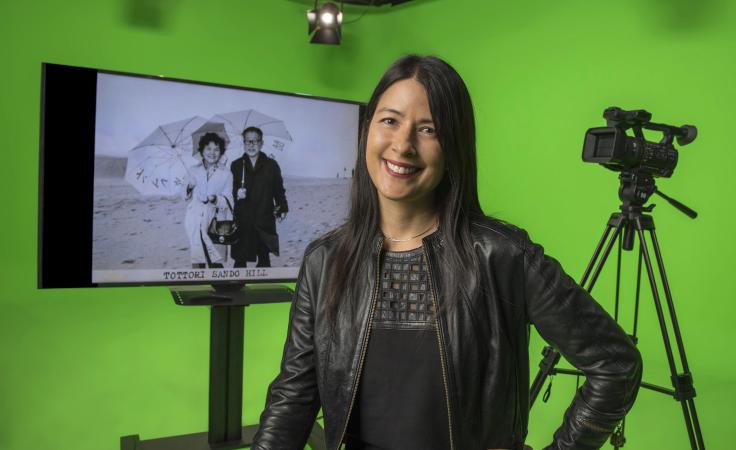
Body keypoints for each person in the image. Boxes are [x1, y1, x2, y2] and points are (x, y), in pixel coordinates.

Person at [251, 55, 642, 450]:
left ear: (454, 146)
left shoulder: (502, 255)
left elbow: (615, 366)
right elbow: (293, 399)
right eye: (390, 120)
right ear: (367, 130)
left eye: (428, 129)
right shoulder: (325, 260)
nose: (403, 145)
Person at [230, 126, 289, 268]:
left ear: (261, 143)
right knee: (240, 262)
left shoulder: (272, 165)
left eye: (255, 141)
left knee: (264, 262)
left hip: (264, 219)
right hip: (243, 220)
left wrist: (282, 207)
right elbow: (228, 191)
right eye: (248, 141)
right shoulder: (236, 165)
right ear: (243, 143)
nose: (251, 145)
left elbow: (279, 191)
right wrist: (236, 193)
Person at [184, 132, 233, 268]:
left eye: (216, 149)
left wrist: (214, 199)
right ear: (202, 151)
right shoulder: (192, 170)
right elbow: (184, 195)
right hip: (194, 218)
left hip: (215, 220)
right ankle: (199, 284)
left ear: (221, 152)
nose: (212, 153)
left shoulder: (226, 173)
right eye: (208, 149)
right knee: (197, 257)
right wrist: (189, 186)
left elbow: (229, 200)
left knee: (215, 260)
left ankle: (219, 286)